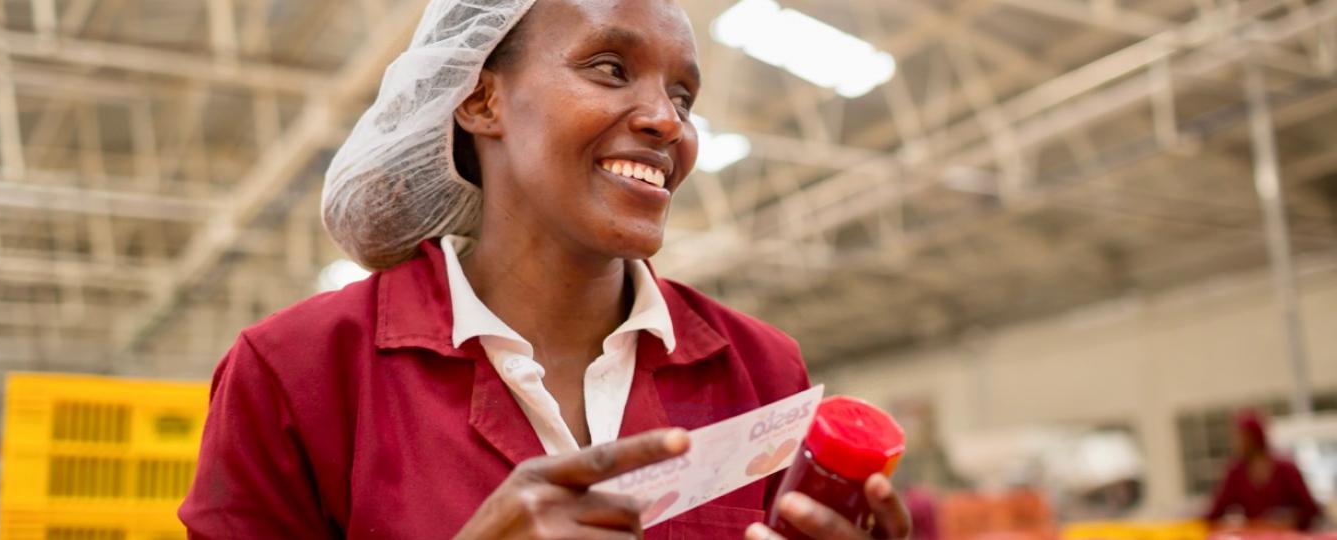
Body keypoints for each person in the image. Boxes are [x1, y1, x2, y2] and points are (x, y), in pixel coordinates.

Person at [178, 0, 912, 538]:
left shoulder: (757, 369)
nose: (666, 120)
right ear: (481, 98)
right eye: (609, 68)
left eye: (683, 95)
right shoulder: (299, 371)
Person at [1203, 410, 1321, 531]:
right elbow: (1214, 512)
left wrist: (1291, 518)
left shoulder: (1286, 468)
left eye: (1243, 437)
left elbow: (1310, 509)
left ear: (1257, 436)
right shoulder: (1235, 473)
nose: (1237, 443)